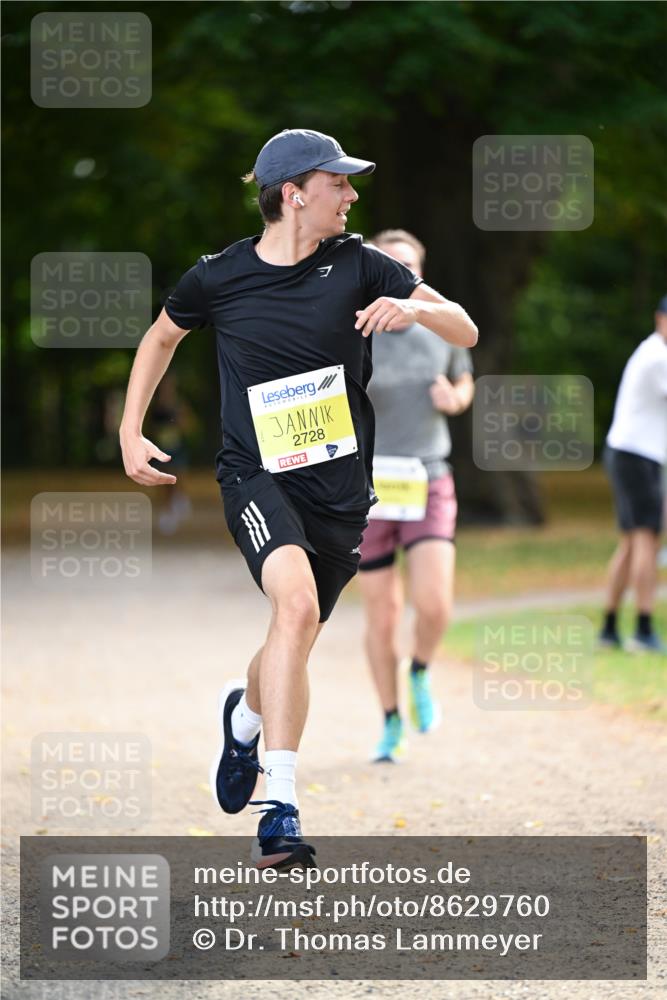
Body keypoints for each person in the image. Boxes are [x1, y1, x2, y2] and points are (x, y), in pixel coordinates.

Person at [119, 129, 478, 869]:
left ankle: (245, 718)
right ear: (293, 194)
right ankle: (278, 805)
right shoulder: (217, 276)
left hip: (340, 491)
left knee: (295, 633)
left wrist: (415, 311)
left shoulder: (359, 265)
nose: (351, 195)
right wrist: (130, 430)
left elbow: (464, 327)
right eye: (337, 184)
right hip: (255, 473)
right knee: (295, 608)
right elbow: (160, 339)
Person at [357, 230, 474, 761]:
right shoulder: (357, 329)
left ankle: (421, 670)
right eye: (389, 265)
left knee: (434, 604)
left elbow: (464, 381)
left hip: (428, 477)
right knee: (381, 616)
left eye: (408, 266)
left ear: (419, 273)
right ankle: (389, 720)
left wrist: (456, 399)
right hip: (370, 485)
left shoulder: (442, 327)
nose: (399, 274)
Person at [599, 295, 667, 654]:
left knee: (630, 543)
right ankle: (643, 628)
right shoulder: (657, 356)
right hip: (636, 456)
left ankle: (609, 627)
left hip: (631, 454)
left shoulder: (652, 352)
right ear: (660, 318)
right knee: (646, 540)